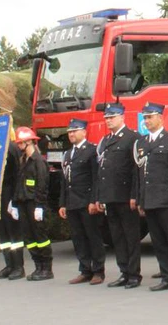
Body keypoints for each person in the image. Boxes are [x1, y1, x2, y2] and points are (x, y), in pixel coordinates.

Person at [133, 102, 168, 292]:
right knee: (158, 241)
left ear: (160, 118)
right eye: (145, 118)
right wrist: (141, 199)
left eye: (150, 117)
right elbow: (141, 174)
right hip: (150, 200)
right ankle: (167, 276)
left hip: (166, 200)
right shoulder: (142, 143)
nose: (147, 121)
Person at [95, 103, 142, 289]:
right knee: (118, 237)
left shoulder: (132, 138)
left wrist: (134, 195)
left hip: (125, 196)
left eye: (112, 117)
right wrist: (100, 196)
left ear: (122, 117)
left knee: (131, 237)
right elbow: (102, 171)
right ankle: (124, 272)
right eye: (106, 118)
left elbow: (135, 170)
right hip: (110, 196)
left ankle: (133, 274)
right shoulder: (106, 140)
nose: (108, 120)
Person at [58, 118, 105, 285]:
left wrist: (94, 200)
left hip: (86, 201)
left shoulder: (91, 151)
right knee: (78, 238)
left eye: (74, 131)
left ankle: (98, 270)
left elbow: (96, 178)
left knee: (93, 236)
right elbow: (65, 180)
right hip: (72, 202)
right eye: (69, 132)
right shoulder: (68, 153)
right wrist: (62, 203)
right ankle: (85, 269)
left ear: (84, 132)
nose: (71, 134)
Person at [12, 126, 53, 281]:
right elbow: (19, 183)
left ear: (29, 142)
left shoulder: (38, 161)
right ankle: (38, 266)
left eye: (21, 143)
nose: (19, 146)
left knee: (40, 236)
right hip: (23, 202)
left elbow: (42, 184)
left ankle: (46, 268)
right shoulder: (23, 160)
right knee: (29, 237)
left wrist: (40, 206)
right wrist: (14, 203)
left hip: (34, 203)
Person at [0, 130, 23, 280]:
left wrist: (15, 199)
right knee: (1, 231)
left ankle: (18, 266)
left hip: (9, 193)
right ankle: (9, 264)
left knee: (12, 231)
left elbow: (18, 174)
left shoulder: (10, 147)